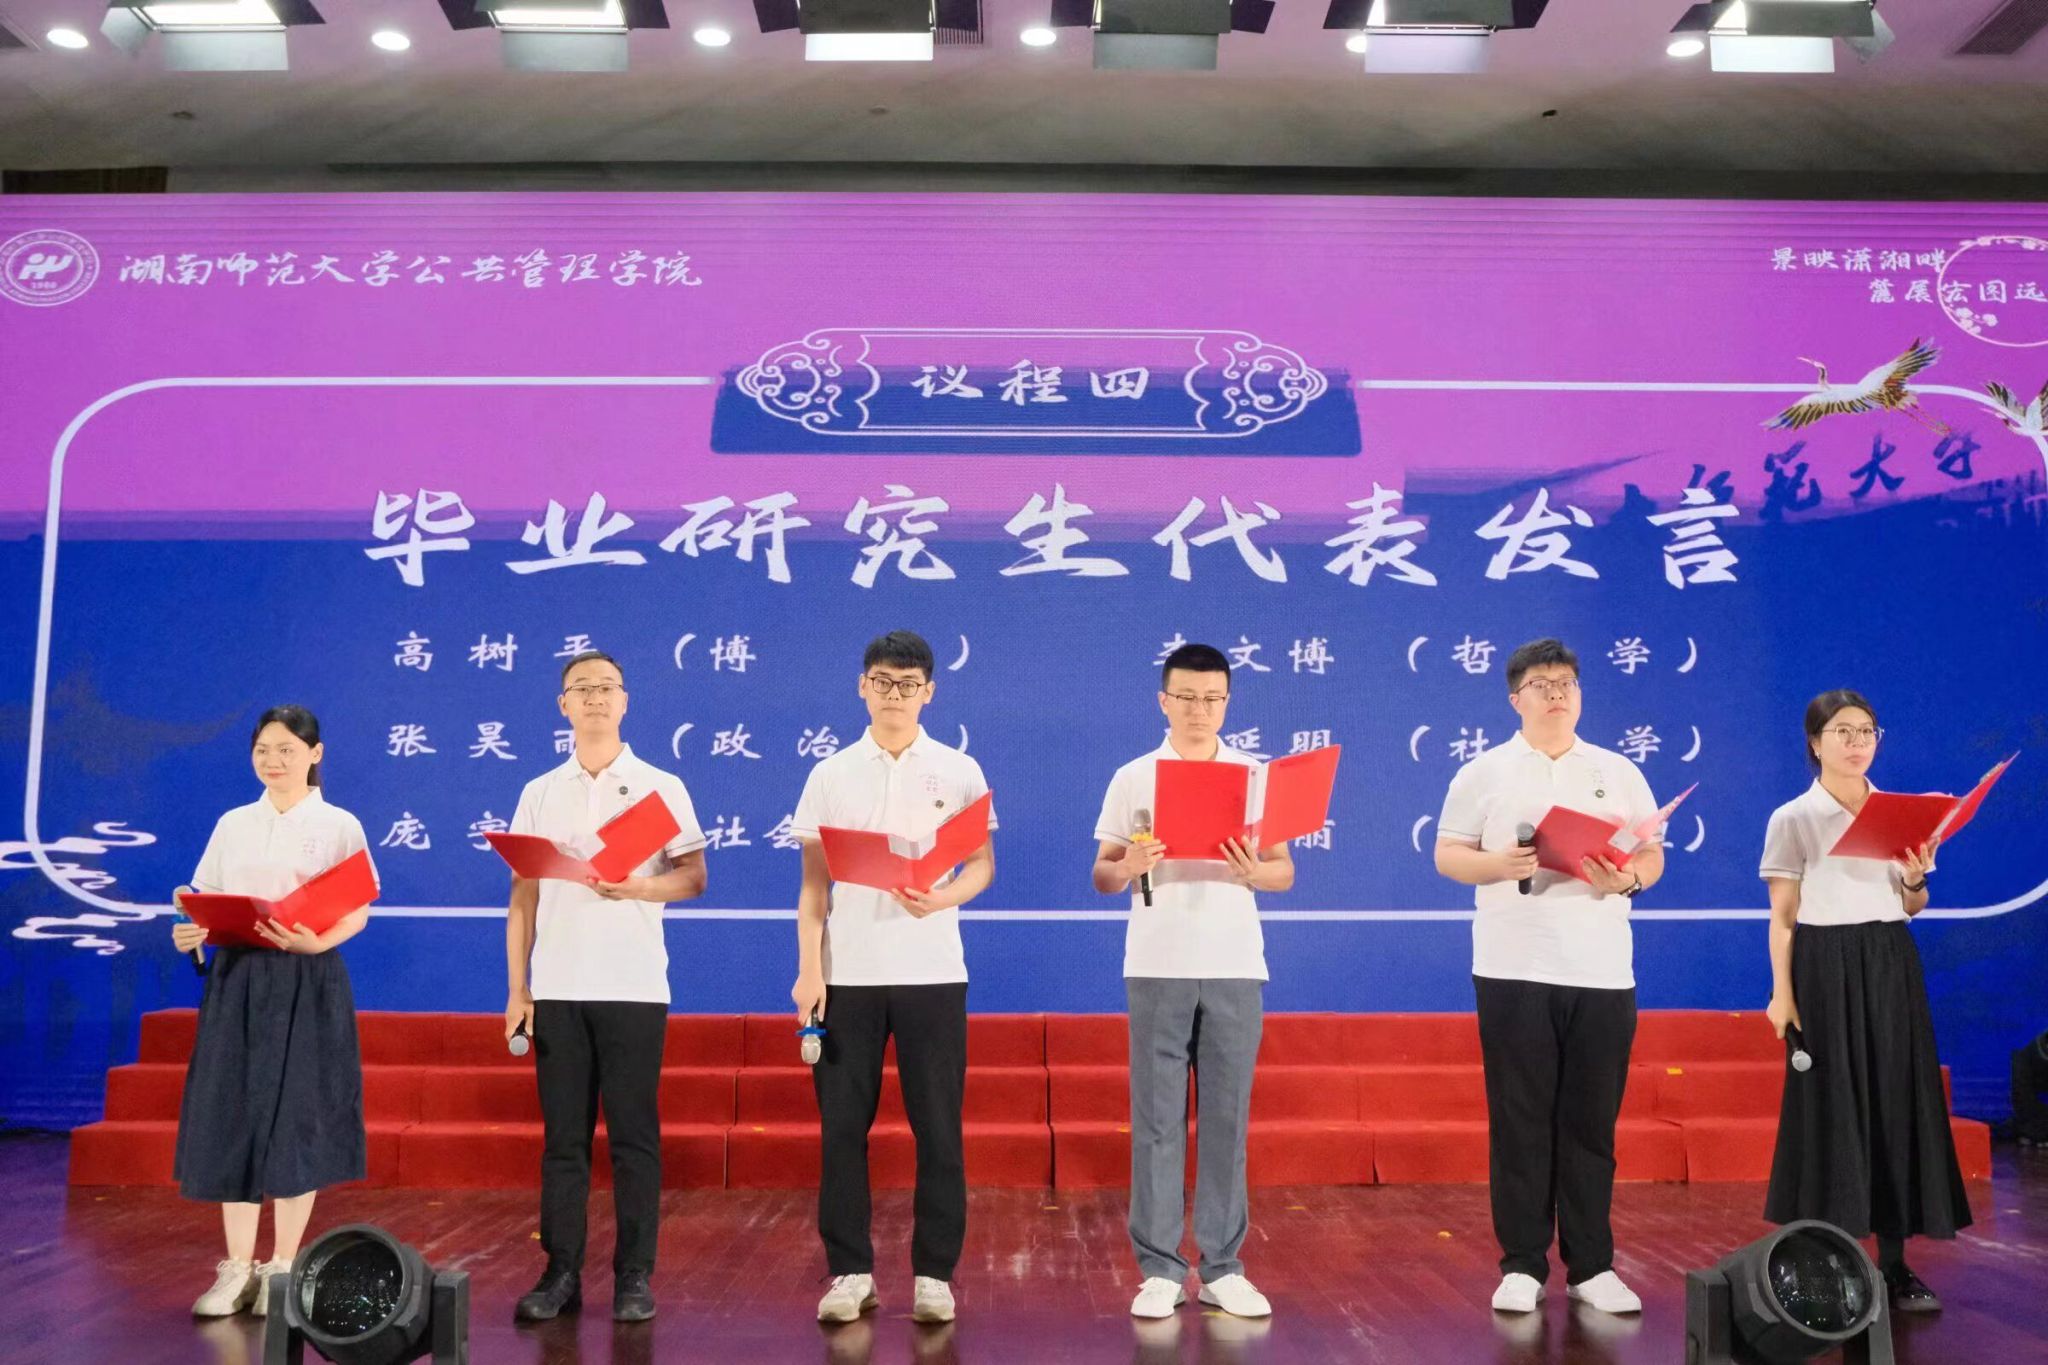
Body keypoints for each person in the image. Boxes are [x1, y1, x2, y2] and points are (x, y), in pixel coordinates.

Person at [1432, 638, 1662, 1316]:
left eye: (1566, 682)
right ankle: (1522, 1264)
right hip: (1513, 965)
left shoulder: (1617, 769)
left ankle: (1592, 1266)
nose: (1556, 693)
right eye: (1541, 684)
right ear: (1516, 698)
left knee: (1591, 1123)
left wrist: (1629, 878)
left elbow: (1651, 853)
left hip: (1602, 969)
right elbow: (1448, 854)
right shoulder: (1485, 771)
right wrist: (1498, 864)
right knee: (1521, 1119)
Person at [791, 630, 996, 1327]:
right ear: (862, 686)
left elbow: (981, 864)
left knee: (938, 1128)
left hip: (933, 973)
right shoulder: (831, 773)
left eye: (908, 684)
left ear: (929, 692)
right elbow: (813, 886)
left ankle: (935, 1275)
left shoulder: (959, 769)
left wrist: (943, 897)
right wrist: (809, 969)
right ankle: (850, 1271)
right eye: (882, 681)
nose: (894, 695)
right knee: (842, 1129)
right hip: (848, 975)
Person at [506, 650, 709, 1324]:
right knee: (563, 1140)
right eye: (581, 688)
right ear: (562, 704)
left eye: (606, 688)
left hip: (633, 984)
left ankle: (634, 1275)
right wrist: (518, 989)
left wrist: (636, 887)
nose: (595, 698)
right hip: (558, 986)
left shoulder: (659, 785)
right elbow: (523, 895)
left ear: (625, 701)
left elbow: (694, 877)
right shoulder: (540, 791)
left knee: (633, 1137)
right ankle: (560, 1271)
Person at [1092, 642, 1293, 1322]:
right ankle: (1159, 1268)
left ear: (1227, 702)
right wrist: (1130, 863)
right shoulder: (1134, 776)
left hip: (1235, 962)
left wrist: (1253, 871)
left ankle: (1223, 1266)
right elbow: (1103, 874)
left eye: (1212, 698)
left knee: (1226, 1119)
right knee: (1157, 1120)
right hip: (1157, 961)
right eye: (1186, 697)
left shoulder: (1255, 777)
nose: (1199, 709)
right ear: (1163, 700)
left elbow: (1283, 871)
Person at [1760, 688, 1971, 1312]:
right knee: (1831, 1108)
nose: (1857, 742)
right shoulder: (1793, 817)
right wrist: (1782, 996)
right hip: (1823, 966)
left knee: (1896, 1104)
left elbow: (1912, 905)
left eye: (1867, 731)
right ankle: (1827, 1265)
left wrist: (1915, 877)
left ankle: (1896, 1265)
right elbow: (1783, 918)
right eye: (1843, 731)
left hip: (1890, 960)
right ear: (1815, 742)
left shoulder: (1899, 812)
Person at [172, 705, 375, 1318]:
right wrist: (192, 933)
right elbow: (206, 901)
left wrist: (318, 942)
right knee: (230, 1111)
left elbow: (357, 910)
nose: (273, 760)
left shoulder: (339, 824)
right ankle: (236, 1267)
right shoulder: (234, 823)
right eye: (263, 749)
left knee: (298, 1116)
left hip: (307, 976)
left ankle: (283, 1265)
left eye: (287, 749)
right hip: (237, 979)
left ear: (315, 754)